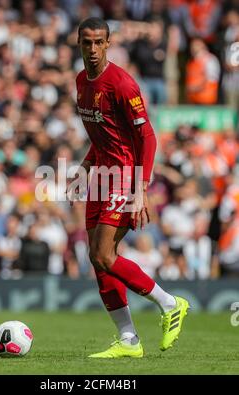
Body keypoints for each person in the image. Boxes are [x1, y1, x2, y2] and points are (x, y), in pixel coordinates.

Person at [68, 17, 189, 358]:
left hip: (124, 175)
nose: (92, 49)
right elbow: (104, 133)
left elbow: (147, 136)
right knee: (97, 258)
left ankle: (170, 304)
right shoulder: (81, 81)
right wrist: (85, 166)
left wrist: (141, 188)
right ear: (78, 42)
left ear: (108, 44)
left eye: (98, 42)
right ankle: (129, 340)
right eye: (86, 42)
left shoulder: (121, 83)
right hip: (101, 176)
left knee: (105, 254)